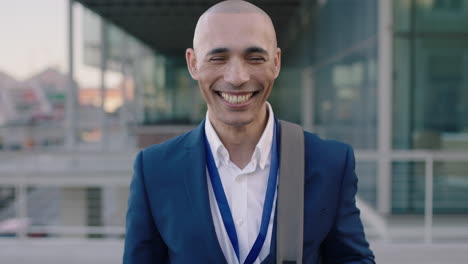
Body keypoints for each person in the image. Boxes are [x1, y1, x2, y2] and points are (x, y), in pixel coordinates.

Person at [123, 1, 375, 263]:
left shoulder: (330, 162)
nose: (237, 77)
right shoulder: (154, 169)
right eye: (218, 58)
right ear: (193, 63)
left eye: (255, 58)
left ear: (276, 62)